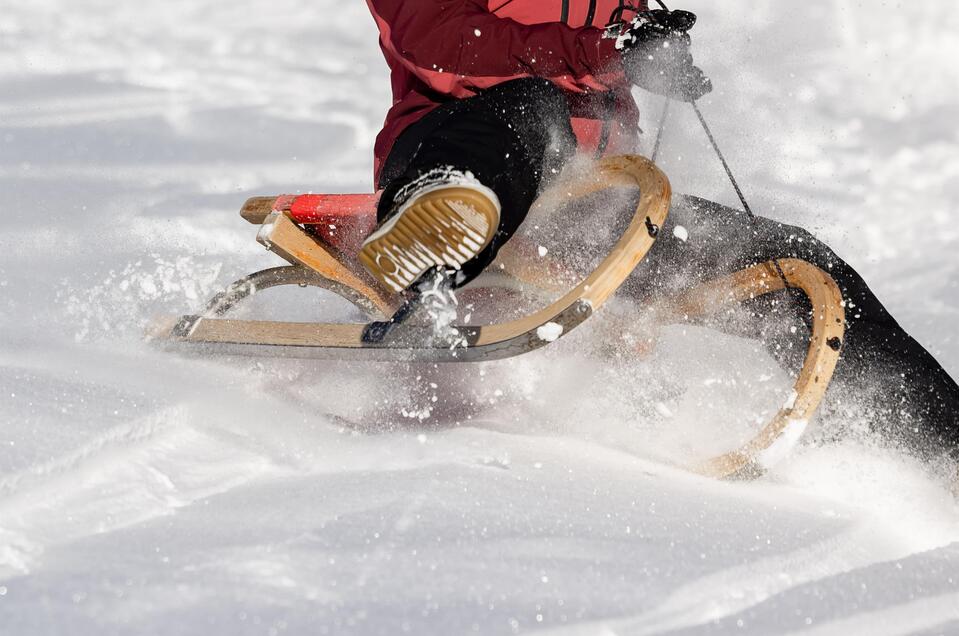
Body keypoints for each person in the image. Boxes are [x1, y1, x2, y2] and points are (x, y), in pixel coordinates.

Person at [360, 0, 959, 465]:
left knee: (801, 268)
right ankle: (441, 223)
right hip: (457, 150)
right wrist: (606, 51)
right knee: (534, 109)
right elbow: (433, 35)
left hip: (584, 206)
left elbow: (606, 80)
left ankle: (935, 449)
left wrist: (650, 55)